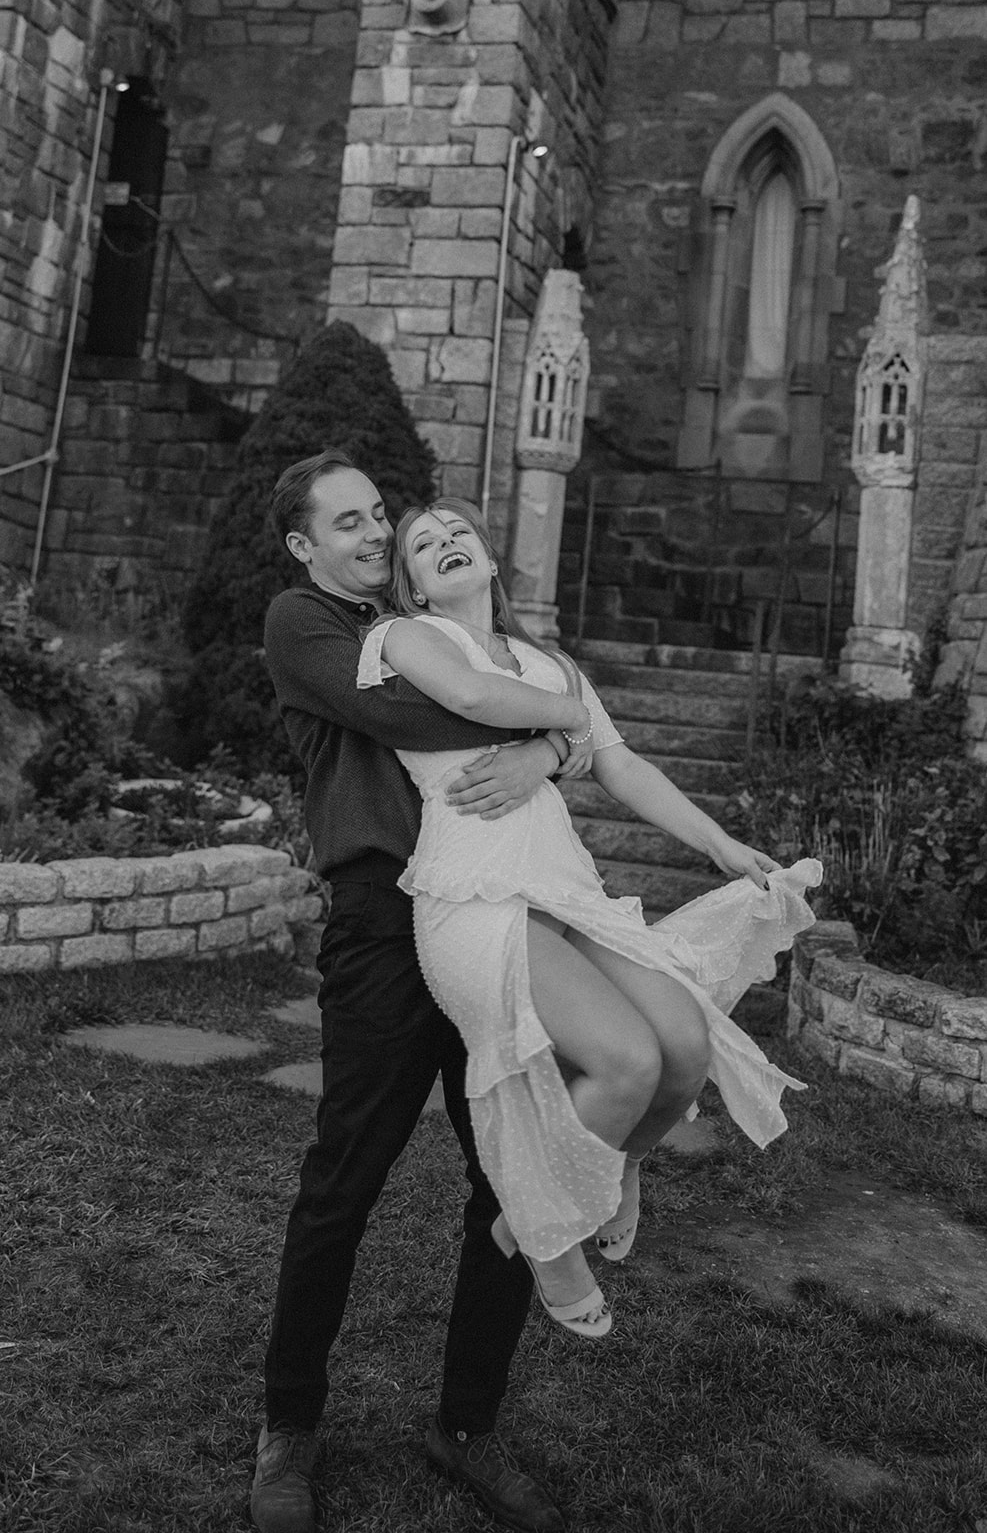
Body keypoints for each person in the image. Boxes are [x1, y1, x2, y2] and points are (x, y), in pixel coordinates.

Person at [355, 496, 821, 1339]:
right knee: (623, 1064)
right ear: (415, 587)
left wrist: (718, 844)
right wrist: (564, 727)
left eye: (459, 531)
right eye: (422, 544)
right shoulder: (405, 639)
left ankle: (609, 1168)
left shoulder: (553, 661)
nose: (445, 542)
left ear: (492, 563)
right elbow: (472, 695)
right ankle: (537, 1234)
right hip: (477, 895)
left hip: (567, 889)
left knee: (683, 1051)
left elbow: (621, 763)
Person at [256, 451, 576, 1533]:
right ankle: (288, 1427)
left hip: (489, 920)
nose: (367, 532)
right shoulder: (305, 625)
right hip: (387, 930)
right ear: (304, 545)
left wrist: (551, 746)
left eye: (376, 516)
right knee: (344, 1181)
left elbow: (508, 688)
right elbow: (419, 718)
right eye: (344, 522)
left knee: (508, 1178)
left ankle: (467, 1427)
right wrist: (551, 734)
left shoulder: (432, 626)